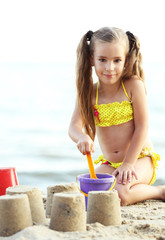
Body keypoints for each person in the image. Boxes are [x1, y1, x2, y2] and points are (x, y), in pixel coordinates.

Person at [68, 27, 165, 206]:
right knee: (85, 189)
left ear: (126, 61)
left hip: (139, 159)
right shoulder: (90, 93)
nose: (109, 68)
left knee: (120, 195)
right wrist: (81, 137)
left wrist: (128, 164)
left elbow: (142, 127)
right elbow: (74, 126)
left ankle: (160, 191)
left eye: (116, 60)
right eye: (102, 60)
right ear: (91, 59)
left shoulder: (133, 85)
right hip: (110, 164)